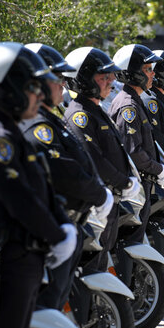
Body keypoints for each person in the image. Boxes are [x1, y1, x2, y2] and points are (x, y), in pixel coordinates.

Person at [0, 42, 77, 328]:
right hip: (5, 258)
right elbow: (20, 201)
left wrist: (62, 227)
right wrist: (57, 236)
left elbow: (42, 187)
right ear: (6, 90)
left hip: (22, 256)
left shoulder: (10, 133)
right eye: (31, 87)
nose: (40, 95)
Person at [20, 43, 114, 310]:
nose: (62, 85)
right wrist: (99, 192)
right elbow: (65, 170)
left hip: (71, 221)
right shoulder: (38, 125)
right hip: (53, 227)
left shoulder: (50, 119)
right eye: (56, 79)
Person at [63, 46, 140, 268]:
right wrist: (123, 181)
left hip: (112, 200)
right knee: (93, 266)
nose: (111, 82)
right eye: (103, 77)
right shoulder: (80, 116)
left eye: (111, 76)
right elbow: (94, 159)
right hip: (98, 203)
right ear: (84, 79)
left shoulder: (96, 111)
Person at [110, 44, 164, 243]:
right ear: (133, 73)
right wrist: (158, 169)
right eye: (147, 69)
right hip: (137, 183)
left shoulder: (134, 100)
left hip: (144, 181)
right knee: (131, 240)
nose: (153, 74)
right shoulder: (128, 105)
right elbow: (133, 150)